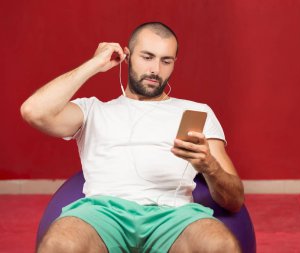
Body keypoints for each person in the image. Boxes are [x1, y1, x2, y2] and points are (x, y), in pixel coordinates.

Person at [21, 22, 244, 253]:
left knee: (221, 245)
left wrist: (210, 167)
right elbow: (33, 111)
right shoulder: (92, 110)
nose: (155, 69)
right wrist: (94, 64)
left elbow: (234, 200)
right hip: (102, 215)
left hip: (174, 216)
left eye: (165, 61)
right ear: (127, 55)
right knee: (59, 245)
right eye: (147, 57)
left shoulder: (198, 112)